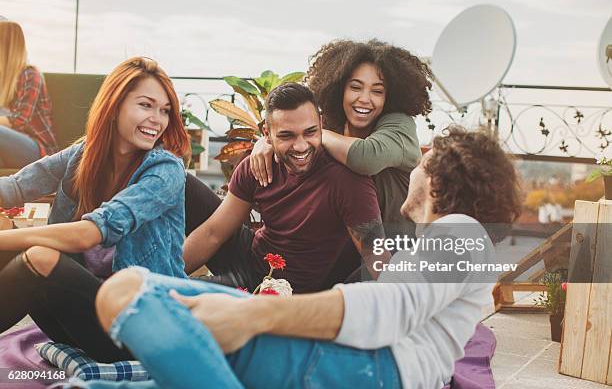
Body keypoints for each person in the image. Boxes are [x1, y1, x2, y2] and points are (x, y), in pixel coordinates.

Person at [74, 125, 521, 389]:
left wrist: (257, 314)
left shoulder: (462, 233)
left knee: (130, 297)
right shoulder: (448, 240)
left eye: (425, 159)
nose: (415, 165)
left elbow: (389, 311)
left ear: (441, 177)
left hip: (373, 370)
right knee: (128, 289)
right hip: (348, 358)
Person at [0, 57, 190, 362]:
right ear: (114, 105)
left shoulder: (165, 171)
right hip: (80, 319)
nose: (158, 119)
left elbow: (89, 234)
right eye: (146, 105)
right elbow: (15, 187)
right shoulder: (83, 155)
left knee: (38, 255)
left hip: (142, 329)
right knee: (13, 254)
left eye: (165, 110)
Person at [250, 39, 432, 283]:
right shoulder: (334, 127)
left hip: (394, 256)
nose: (365, 99)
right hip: (342, 254)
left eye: (377, 91)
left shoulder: (400, 126)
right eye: (355, 87)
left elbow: (365, 157)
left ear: (390, 96)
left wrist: (301, 134)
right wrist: (268, 141)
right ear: (339, 88)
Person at [183, 83, 390, 293]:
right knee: (181, 182)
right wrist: (166, 277)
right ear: (267, 134)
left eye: (310, 132)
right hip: (251, 259)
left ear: (321, 124)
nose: (301, 146)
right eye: (286, 136)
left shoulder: (347, 180)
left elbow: (376, 258)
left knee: (187, 296)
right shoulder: (258, 165)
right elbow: (213, 233)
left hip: (291, 293)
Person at [0, 20, 58, 168]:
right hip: (10, 148)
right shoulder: (3, 79)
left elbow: (19, 120)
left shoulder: (31, 74)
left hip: (39, 150)